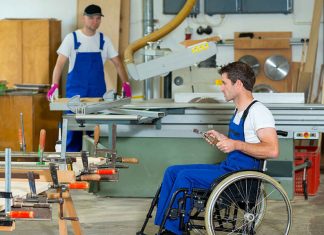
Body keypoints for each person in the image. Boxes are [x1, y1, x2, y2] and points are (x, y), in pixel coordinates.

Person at [154, 61, 279, 235]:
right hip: (229, 168)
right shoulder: (239, 110)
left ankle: (174, 231)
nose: (221, 88)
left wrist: (235, 144)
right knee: (172, 171)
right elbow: (242, 143)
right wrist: (224, 139)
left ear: (238, 84)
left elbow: (272, 150)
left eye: (224, 83)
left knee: (185, 177)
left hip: (240, 177)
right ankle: (165, 226)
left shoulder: (258, 112)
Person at [46, 4, 132, 152]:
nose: (95, 21)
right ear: (84, 18)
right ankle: (72, 168)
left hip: (97, 96)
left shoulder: (104, 40)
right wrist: (54, 86)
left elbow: (118, 63)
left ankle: (95, 166)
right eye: (91, 18)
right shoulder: (72, 38)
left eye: (98, 18)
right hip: (75, 96)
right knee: (73, 134)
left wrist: (126, 84)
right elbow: (59, 64)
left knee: (96, 137)